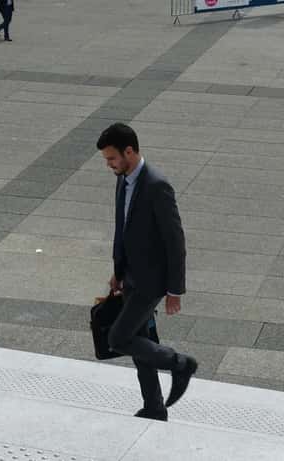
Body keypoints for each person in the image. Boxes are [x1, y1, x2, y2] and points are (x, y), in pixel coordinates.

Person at [98, 123, 198, 422]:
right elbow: (123, 229)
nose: (109, 165)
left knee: (118, 338)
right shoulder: (123, 179)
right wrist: (117, 271)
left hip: (150, 282)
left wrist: (174, 289)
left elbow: (175, 239)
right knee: (139, 342)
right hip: (129, 277)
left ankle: (180, 364)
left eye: (112, 158)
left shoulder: (157, 185)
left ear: (129, 151)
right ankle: (154, 407)